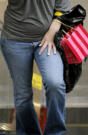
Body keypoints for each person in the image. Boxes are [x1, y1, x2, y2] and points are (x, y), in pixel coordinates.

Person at [0, 0, 71, 135]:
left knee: (55, 83)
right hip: (15, 40)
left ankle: (56, 132)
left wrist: (51, 33)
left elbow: (62, 8)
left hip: (47, 39)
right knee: (23, 96)